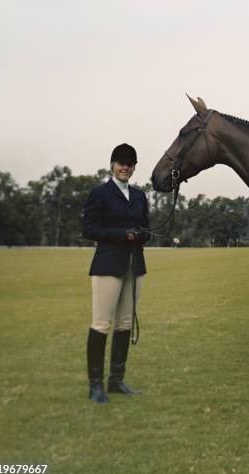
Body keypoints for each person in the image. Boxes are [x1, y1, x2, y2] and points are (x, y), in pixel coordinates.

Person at [81, 143, 150, 403]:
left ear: (134, 167)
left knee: (124, 324)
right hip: (108, 264)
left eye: (130, 163)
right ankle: (95, 385)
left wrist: (141, 234)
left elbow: (146, 229)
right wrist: (122, 235)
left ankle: (116, 381)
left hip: (135, 265)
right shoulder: (100, 193)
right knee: (101, 323)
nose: (125, 167)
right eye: (121, 162)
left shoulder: (140, 196)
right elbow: (89, 228)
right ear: (113, 165)